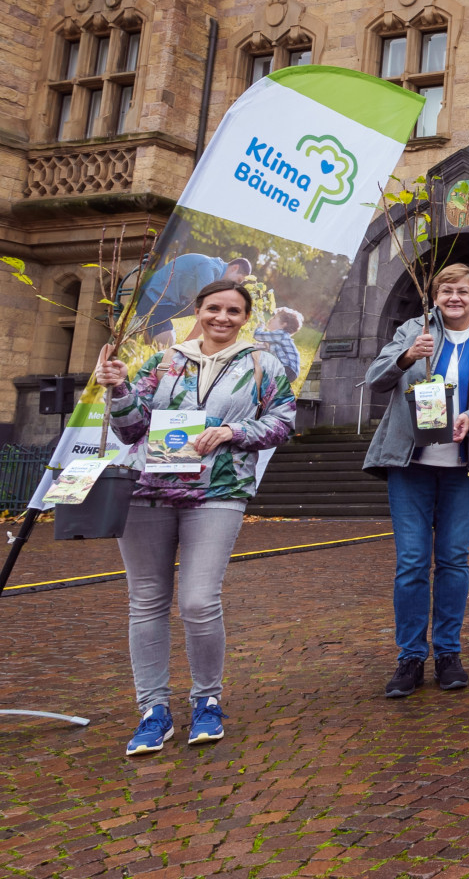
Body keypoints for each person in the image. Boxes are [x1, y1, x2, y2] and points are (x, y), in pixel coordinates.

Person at [95, 279, 296, 756]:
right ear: (198, 311)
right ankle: (153, 711)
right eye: (213, 309)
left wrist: (232, 430)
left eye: (232, 310)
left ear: (246, 317)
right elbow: (129, 430)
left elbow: (283, 422)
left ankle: (207, 700)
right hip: (149, 490)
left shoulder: (263, 364)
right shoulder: (165, 361)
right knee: (146, 601)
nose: (221, 318)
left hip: (219, 491)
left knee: (199, 601)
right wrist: (119, 388)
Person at [364, 263, 469, 698]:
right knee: (412, 561)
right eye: (447, 290)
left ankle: (448, 652)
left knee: (453, 558)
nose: (455, 298)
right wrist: (407, 356)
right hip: (410, 462)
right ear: (434, 295)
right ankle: (410, 657)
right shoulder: (411, 330)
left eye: (464, 292)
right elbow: (375, 380)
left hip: (463, 464)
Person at [136, 254, 253, 345]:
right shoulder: (209, 267)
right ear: (234, 268)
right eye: (238, 280)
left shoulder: (216, 276)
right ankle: (141, 321)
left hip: (167, 304)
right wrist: (184, 346)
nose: (234, 285)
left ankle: (146, 326)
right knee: (167, 343)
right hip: (150, 299)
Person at [254, 308, 304, 383]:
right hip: (290, 371)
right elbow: (262, 347)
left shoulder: (281, 334)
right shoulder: (278, 340)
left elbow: (258, 335)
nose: (270, 319)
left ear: (283, 324)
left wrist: (260, 327)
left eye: (274, 318)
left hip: (286, 367)